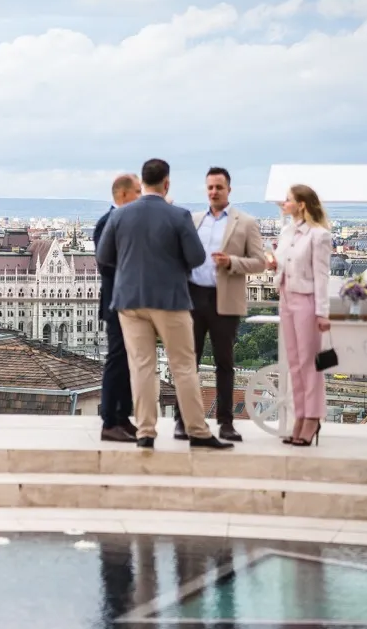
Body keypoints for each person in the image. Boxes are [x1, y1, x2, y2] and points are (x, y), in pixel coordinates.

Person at [96, 159, 232, 450]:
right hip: (169, 300)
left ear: (142, 183)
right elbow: (196, 258)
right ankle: (197, 430)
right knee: (183, 365)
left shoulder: (120, 216)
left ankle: (146, 431)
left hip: (129, 301)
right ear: (166, 183)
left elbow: (104, 256)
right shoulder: (178, 216)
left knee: (142, 366)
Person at [178, 167, 267, 443]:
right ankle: (185, 420)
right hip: (193, 297)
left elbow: (260, 262)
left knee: (224, 363)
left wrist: (232, 262)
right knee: (187, 363)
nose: (214, 192)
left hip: (224, 298)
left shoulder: (246, 223)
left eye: (219, 187)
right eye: (210, 188)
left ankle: (226, 422)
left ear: (229, 189)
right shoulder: (193, 221)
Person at [267, 184, 332, 447]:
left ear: (302, 204)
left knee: (310, 364)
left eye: (288, 200)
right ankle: (301, 415)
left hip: (306, 301)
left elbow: (322, 276)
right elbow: (285, 264)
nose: (284, 204)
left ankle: (313, 417)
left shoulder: (318, 235)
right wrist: (274, 265)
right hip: (286, 299)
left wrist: (322, 313)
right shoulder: (287, 232)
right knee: (294, 363)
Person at [93, 172, 141, 442]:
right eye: (137, 191)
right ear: (123, 194)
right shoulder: (107, 222)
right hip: (115, 301)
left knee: (127, 361)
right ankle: (110, 421)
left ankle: (123, 417)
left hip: (127, 300)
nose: (141, 196)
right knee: (117, 360)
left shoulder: (120, 221)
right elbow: (105, 263)